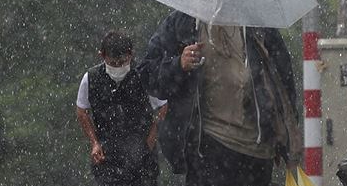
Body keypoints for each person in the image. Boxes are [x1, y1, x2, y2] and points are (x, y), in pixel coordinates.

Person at [140, 11, 303, 186]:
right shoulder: (184, 24)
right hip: (205, 146)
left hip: (256, 151)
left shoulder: (258, 25)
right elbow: (148, 75)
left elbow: (283, 82)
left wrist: (283, 137)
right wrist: (178, 64)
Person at [76, 30, 164, 186]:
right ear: (102, 55)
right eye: (113, 63)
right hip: (107, 155)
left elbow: (164, 107)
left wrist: (151, 139)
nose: (118, 66)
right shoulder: (91, 78)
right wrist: (94, 143)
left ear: (130, 55)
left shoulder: (144, 75)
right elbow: (82, 111)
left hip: (142, 155)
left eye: (122, 62)